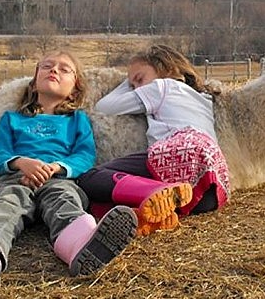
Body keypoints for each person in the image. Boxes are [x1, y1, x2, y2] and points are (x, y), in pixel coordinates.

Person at [0, 49, 137, 280]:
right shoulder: (12, 119)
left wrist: (56, 167)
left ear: (74, 90)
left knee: (65, 203)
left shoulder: (77, 121)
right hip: (17, 179)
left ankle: (82, 245)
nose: (54, 70)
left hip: (60, 179)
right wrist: (21, 163)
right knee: (6, 203)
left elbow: (84, 156)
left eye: (64, 69)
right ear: (34, 83)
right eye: (46, 66)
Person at [77, 43, 230, 236]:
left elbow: (105, 106)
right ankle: (158, 210)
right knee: (131, 188)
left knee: (90, 178)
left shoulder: (160, 87)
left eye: (139, 80)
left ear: (166, 70)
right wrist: (137, 79)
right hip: (209, 190)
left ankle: (158, 192)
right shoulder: (203, 98)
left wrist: (125, 82)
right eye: (133, 86)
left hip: (181, 151)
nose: (137, 88)